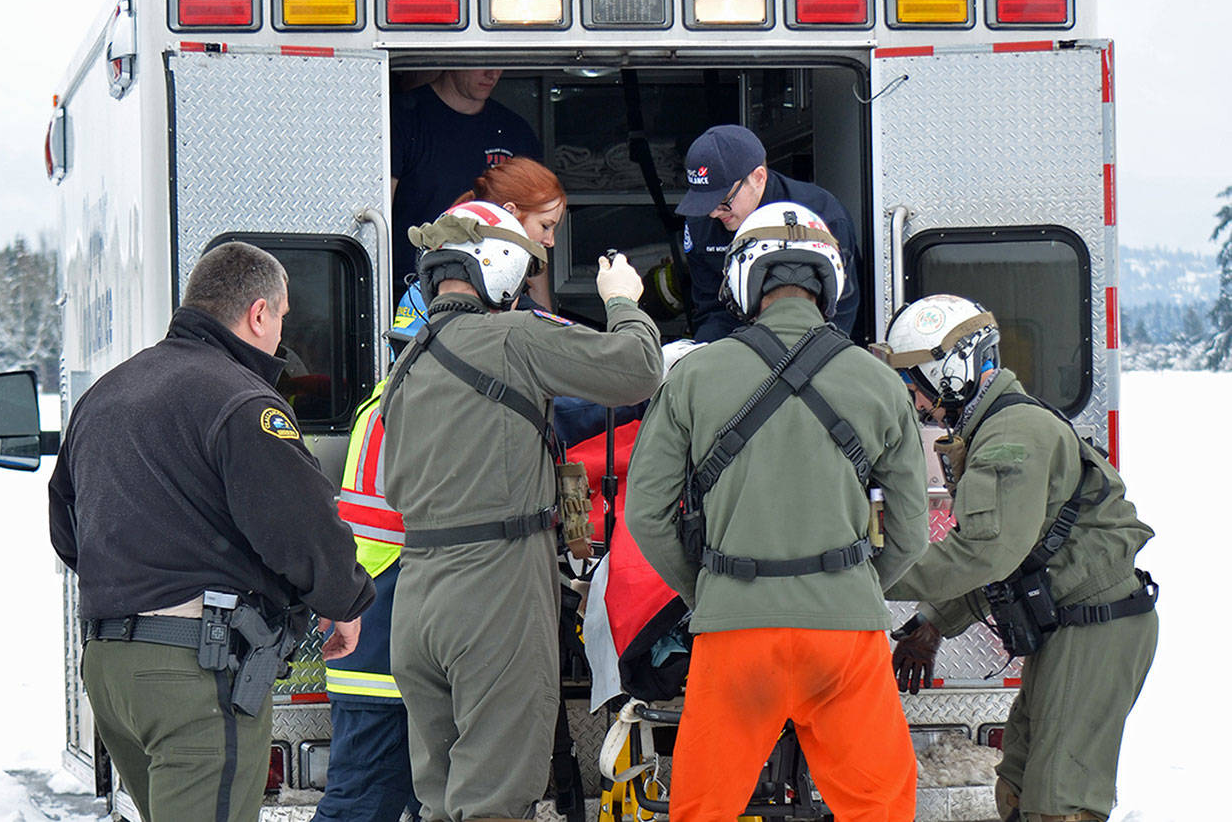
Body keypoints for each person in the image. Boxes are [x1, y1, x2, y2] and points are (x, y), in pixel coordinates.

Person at [48, 241, 376, 822]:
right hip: (193, 676)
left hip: (110, 671)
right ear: (258, 313)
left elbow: (68, 530)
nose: (282, 334)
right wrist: (344, 601)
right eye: (282, 317)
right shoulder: (241, 401)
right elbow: (298, 523)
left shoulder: (107, 393)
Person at [624, 201, 928, 822]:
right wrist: (855, 588)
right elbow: (911, 530)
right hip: (845, 634)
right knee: (880, 809)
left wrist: (706, 589)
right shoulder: (879, 383)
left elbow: (646, 515)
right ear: (830, 284)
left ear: (743, 282)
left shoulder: (694, 375)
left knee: (702, 811)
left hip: (733, 631)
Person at [380, 201, 663, 821]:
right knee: (495, 800)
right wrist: (622, 302)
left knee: (440, 797)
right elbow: (639, 370)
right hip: (493, 590)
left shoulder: (406, 362)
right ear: (502, 268)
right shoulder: (516, 336)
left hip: (417, 593)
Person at [875, 294, 1159, 822]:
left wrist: (867, 577)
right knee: (1020, 788)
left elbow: (986, 551)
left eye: (915, 379)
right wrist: (935, 623)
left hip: (1095, 628)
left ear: (950, 371)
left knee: (1059, 804)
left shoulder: (1011, 435)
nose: (911, 397)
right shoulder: (993, 428)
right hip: (1068, 628)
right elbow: (1012, 553)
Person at [313, 378, 421, 822]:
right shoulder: (420, 399)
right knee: (362, 802)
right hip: (384, 641)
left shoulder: (387, 398)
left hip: (371, 629)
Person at [675, 124, 860, 341]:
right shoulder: (700, 223)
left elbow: (841, 311)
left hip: (814, 341)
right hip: (737, 345)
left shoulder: (821, 217)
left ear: (758, 177)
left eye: (723, 200)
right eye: (705, 202)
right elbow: (711, 309)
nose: (714, 213)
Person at [390, 69, 542, 300]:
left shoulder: (515, 132)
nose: (492, 73)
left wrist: (547, 316)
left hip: (501, 297)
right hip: (415, 292)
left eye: (499, 62)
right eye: (481, 60)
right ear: (454, 56)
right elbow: (378, 214)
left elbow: (533, 235)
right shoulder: (401, 119)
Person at [451, 156, 566, 311]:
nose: (550, 242)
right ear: (509, 213)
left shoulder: (438, 278)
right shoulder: (487, 300)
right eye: (545, 226)